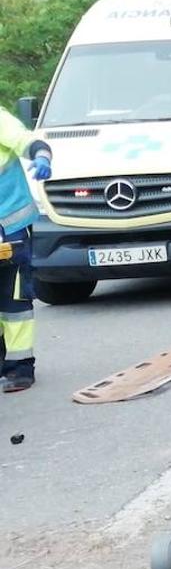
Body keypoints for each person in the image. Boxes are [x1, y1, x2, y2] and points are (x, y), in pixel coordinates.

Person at [0, 106, 52, 392]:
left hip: (10, 228)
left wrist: (42, 156)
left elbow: (26, 141)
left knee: (13, 300)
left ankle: (20, 368)